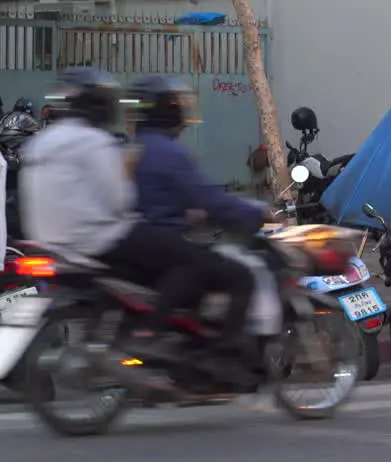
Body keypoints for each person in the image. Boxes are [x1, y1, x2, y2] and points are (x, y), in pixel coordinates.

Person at [19, 69, 256, 369]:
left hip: (50, 242)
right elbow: (120, 200)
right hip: (99, 237)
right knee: (189, 258)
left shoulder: (42, 142)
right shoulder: (96, 142)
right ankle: (152, 332)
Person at [129, 75, 264, 355]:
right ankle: (224, 354)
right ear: (167, 110)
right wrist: (256, 213)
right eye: (178, 105)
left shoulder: (137, 146)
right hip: (166, 242)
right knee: (241, 277)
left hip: (144, 242)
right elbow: (210, 199)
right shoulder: (168, 152)